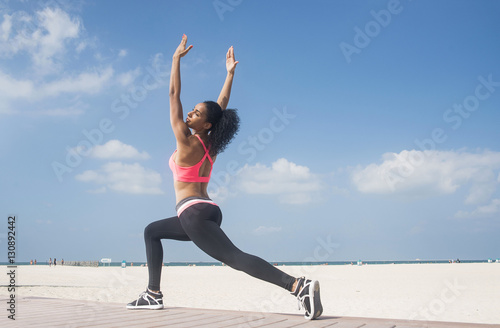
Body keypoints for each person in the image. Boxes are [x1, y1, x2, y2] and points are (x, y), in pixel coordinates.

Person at [126, 35, 322, 320]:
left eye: (194, 113)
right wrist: (229, 75)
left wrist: (175, 60)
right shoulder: (211, 142)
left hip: (193, 213)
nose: (189, 114)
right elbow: (220, 106)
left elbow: (172, 96)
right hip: (204, 211)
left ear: (205, 124)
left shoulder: (186, 141)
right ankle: (153, 294)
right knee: (152, 231)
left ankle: (297, 285)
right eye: (190, 111)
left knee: (234, 258)